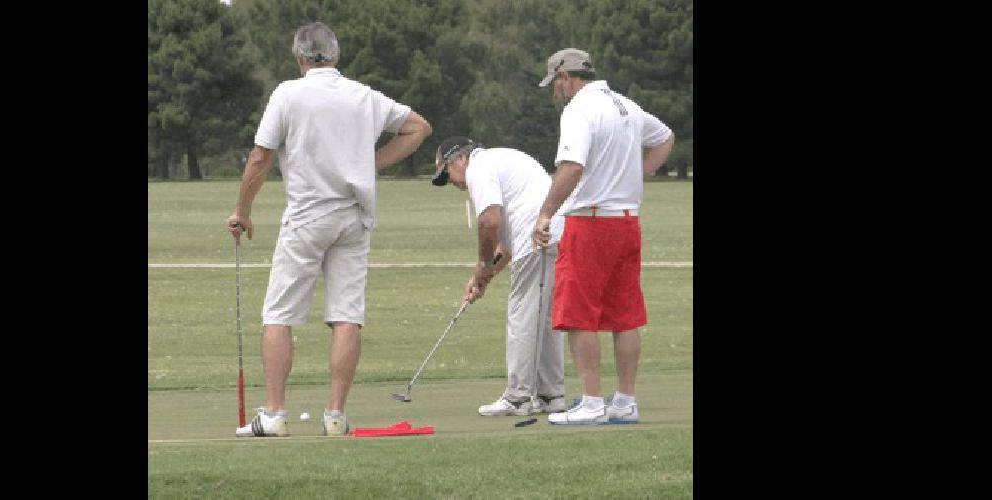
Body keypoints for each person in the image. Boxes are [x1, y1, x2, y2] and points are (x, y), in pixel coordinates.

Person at [226, 22, 432, 437]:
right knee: (346, 316)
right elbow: (419, 128)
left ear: (299, 56)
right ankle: (335, 417)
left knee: (278, 315)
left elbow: (261, 156)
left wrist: (242, 210)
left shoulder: (288, 93)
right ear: (335, 55)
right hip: (354, 217)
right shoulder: (363, 95)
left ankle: (274, 415)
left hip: (307, 216)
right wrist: (368, 167)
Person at [530, 48, 675, 425]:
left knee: (579, 315)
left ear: (565, 76)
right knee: (625, 316)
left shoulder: (580, 109)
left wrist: (545, 212)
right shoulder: (625, 104)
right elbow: (665, 139)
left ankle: (592, 403)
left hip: (591, 223)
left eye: (555, 84)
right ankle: (625, 401)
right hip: (627, 222)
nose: (555, 92)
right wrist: (634, 177)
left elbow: (571, 167)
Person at [431, 137, 569, 416]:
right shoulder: (500, 161)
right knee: (543, 317)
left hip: (537, 238)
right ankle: (550, 395)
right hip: (555, 236)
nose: (452, 183)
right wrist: (483, 276)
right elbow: (504, 249)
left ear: (459, 159)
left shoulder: (479, 168)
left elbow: (489, 221)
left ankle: (518, 397)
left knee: (522, 314)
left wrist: (482, 264)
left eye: (447, 173)